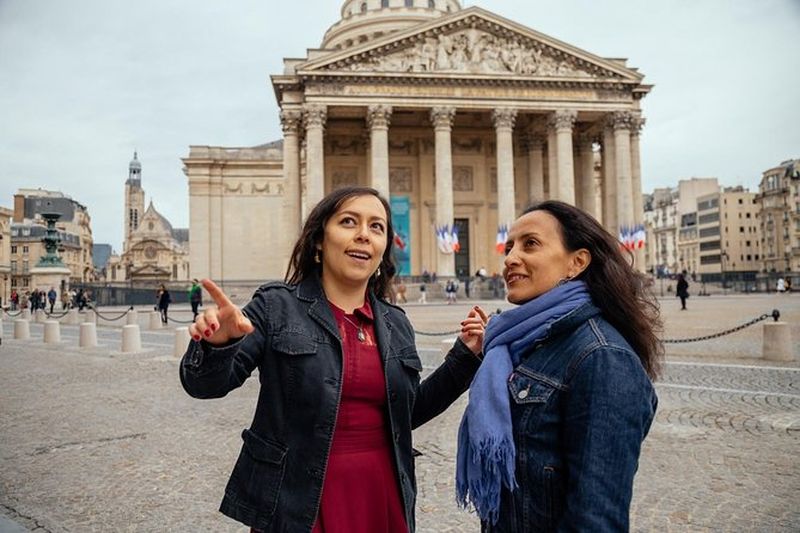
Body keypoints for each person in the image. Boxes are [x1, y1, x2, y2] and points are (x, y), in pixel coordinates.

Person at [180, 186, 487, 532]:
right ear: (319, 240)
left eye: (376, 227)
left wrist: (464, 357)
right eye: (349, 222)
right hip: (298, 500)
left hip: (381, 492)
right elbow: (204, 385)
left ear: (384, 248)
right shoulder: (276, 306)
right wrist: (219, 344)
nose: (364, 235)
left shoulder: (395, 323)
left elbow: (407, 413)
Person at [455, 201, 662, 531]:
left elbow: (596, 520)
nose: (510, 258)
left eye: (530, 244)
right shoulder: (524, 342)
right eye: (509, 247)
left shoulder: (603, 358)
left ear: (576, 262)